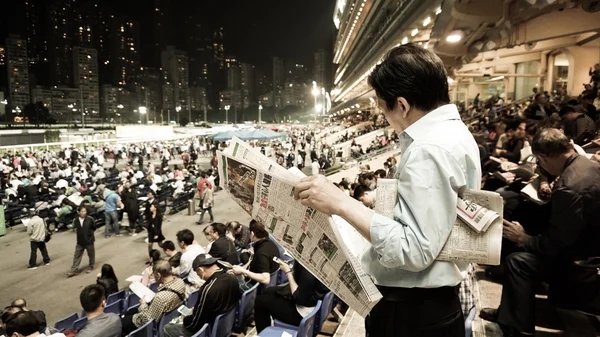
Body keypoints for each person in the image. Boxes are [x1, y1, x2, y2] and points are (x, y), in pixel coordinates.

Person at [293, 44, 481, 337]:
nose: (384, 117)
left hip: (412, 315)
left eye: (383, 107)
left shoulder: (428, 149)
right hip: (431, 308)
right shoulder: (454, 133)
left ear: (403, 105)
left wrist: (341, 202)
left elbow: (414, 249)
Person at [480, 129, 600, 337]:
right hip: (588, 243)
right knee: (522, 218)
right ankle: (507, 313)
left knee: (519, 261)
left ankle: (518, 329)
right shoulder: (588, 165)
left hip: (582, 264)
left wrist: (524, 239)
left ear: (544, 157)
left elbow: (554, 245)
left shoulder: (569, 186)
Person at [162, 254, 241, 337]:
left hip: (209, 328)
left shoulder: (208, 289)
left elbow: (194, 325)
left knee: (167, 329)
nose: (200, 277)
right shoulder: (232, 277)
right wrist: (197, 310)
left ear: (201, 270)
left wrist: (184, 319)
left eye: (198, 274)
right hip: (226, 325)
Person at [255, 260, 329, 332]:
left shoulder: (309, 271)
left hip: (303, 313)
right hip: (311, 304)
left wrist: (288, 272)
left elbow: (299, 298)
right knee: (268, 291)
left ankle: (264, 333)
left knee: (260, 301)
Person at [120, 260, 186, 336]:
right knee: (130, 312)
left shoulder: (161, 297)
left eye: (154, 274)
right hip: (168, 317)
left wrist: (143, 304)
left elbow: (147, 320)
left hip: (145, 321)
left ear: (158, 275)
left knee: (121, 323)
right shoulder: (180, 282)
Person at [231, 221, 280, 291]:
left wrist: (244, 271)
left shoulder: (262, 253)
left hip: (253, 284)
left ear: (252, 234)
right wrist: (243, 268)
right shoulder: (269, 242)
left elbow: (266, 279)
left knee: (229, 283)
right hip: (258, 273)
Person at [68, 206, 96, 277]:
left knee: (91, 254)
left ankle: (91, 266)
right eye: (82, 211)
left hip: (89, 240)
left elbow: (94, 227)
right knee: (77, 255)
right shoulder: (76, 220)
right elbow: (74, 228)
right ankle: (74, 270)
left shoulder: (90, 219)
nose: (84, 213)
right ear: (78, 212)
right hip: (80, 241)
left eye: (85, 211)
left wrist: (90, 236)